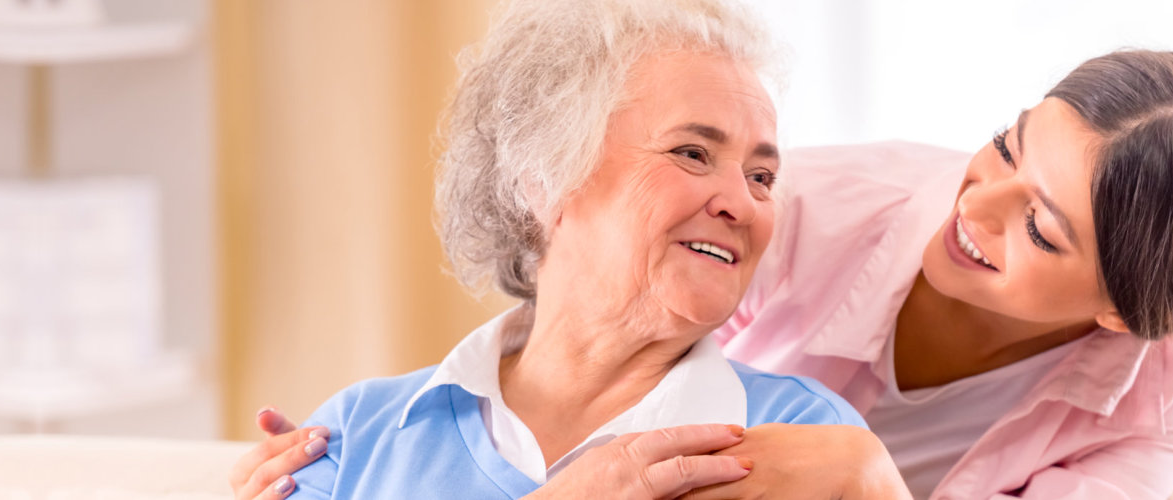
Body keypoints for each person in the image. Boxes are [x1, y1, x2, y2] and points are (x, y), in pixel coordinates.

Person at [235, 6, 1173, 500]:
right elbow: (609, 331)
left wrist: (870, 485)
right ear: (541, 175)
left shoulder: (780, 448)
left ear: (1117, 309)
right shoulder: (367, 428)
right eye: (1008, 147)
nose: (979, 204)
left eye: (1044, 228)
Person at [229, 1, 897, 499]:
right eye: (692, 153)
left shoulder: (803, 442)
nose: (743, 203)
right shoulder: (358, 435)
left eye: (762, 177)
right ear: (545, 177)